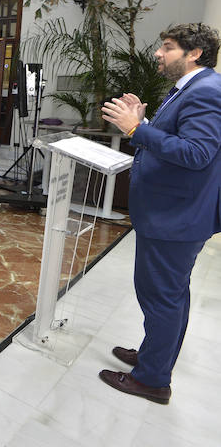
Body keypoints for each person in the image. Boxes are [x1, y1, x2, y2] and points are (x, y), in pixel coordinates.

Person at [98, 23, 221, 405]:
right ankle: (155, 356)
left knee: (162, 298)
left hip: (175, 216)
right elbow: (181, 141)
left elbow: (196, 154)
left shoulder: (206, 93)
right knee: (171, 296)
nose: (158, 53)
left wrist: (135, 128)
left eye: (167, 47)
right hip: (175, 213)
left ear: (195, 53)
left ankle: (152, 379)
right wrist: (146, 123)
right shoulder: (189, 90)